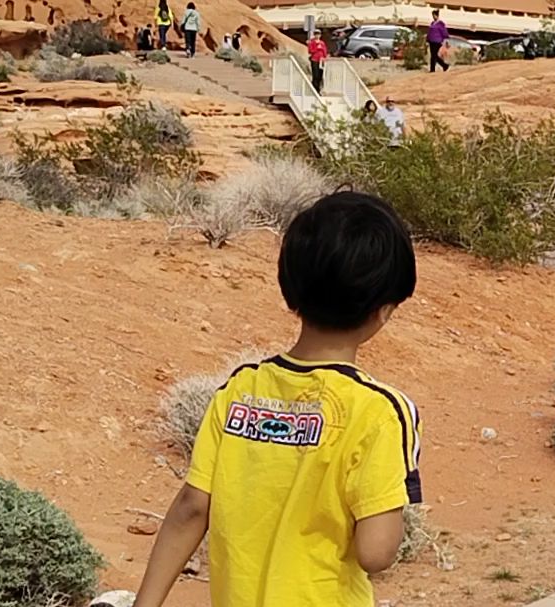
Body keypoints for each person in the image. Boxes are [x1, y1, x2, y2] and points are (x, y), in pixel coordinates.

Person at [131, 191, 422, 607]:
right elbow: (376, 552)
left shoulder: (240, 389)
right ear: (385, 309)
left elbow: (192, 508)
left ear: (291, 287)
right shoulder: (380, 411)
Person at [307, 29, 329, 93]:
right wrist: (317, 48)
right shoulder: (312, 42)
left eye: (318, 34)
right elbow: (310, 51)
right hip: (314, 60)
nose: (317, 36)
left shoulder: (322, 43)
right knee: (315, 75)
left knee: (320, 75)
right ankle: (315, 88)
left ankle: (319, 89)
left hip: (321, 60)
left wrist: (325, 57)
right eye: (316, 34)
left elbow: (325, 51)